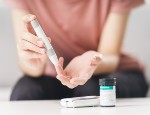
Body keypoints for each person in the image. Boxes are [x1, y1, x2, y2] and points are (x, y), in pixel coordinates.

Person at [5, 0, 148, 100]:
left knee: (90, 90)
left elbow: (111, 57)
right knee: (25, 91)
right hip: (55, 75)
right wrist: (35, 64)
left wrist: (91, 60)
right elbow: (27, 65)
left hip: (110, 71)